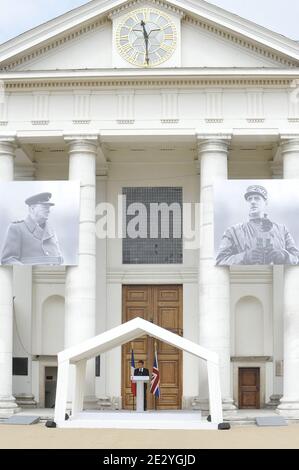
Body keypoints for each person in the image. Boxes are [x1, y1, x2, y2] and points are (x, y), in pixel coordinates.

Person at [216, 185, 299, 266]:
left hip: (277, 277)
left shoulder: (282, 230)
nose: (252, 202)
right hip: (248, 278)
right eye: (249, 199)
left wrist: (285, 256)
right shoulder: (233, 231)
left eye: (257, 198)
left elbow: (296, 258)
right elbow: (220, 262)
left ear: (265, 202)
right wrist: (244, 257)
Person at [1, 192, 63, 266]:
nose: (48, 211)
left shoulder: (51, 230)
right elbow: (8, 260)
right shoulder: (17, 228)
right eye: (44, 207)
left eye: (49, 208)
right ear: (32, 209)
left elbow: (58, 259)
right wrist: (28, 271)